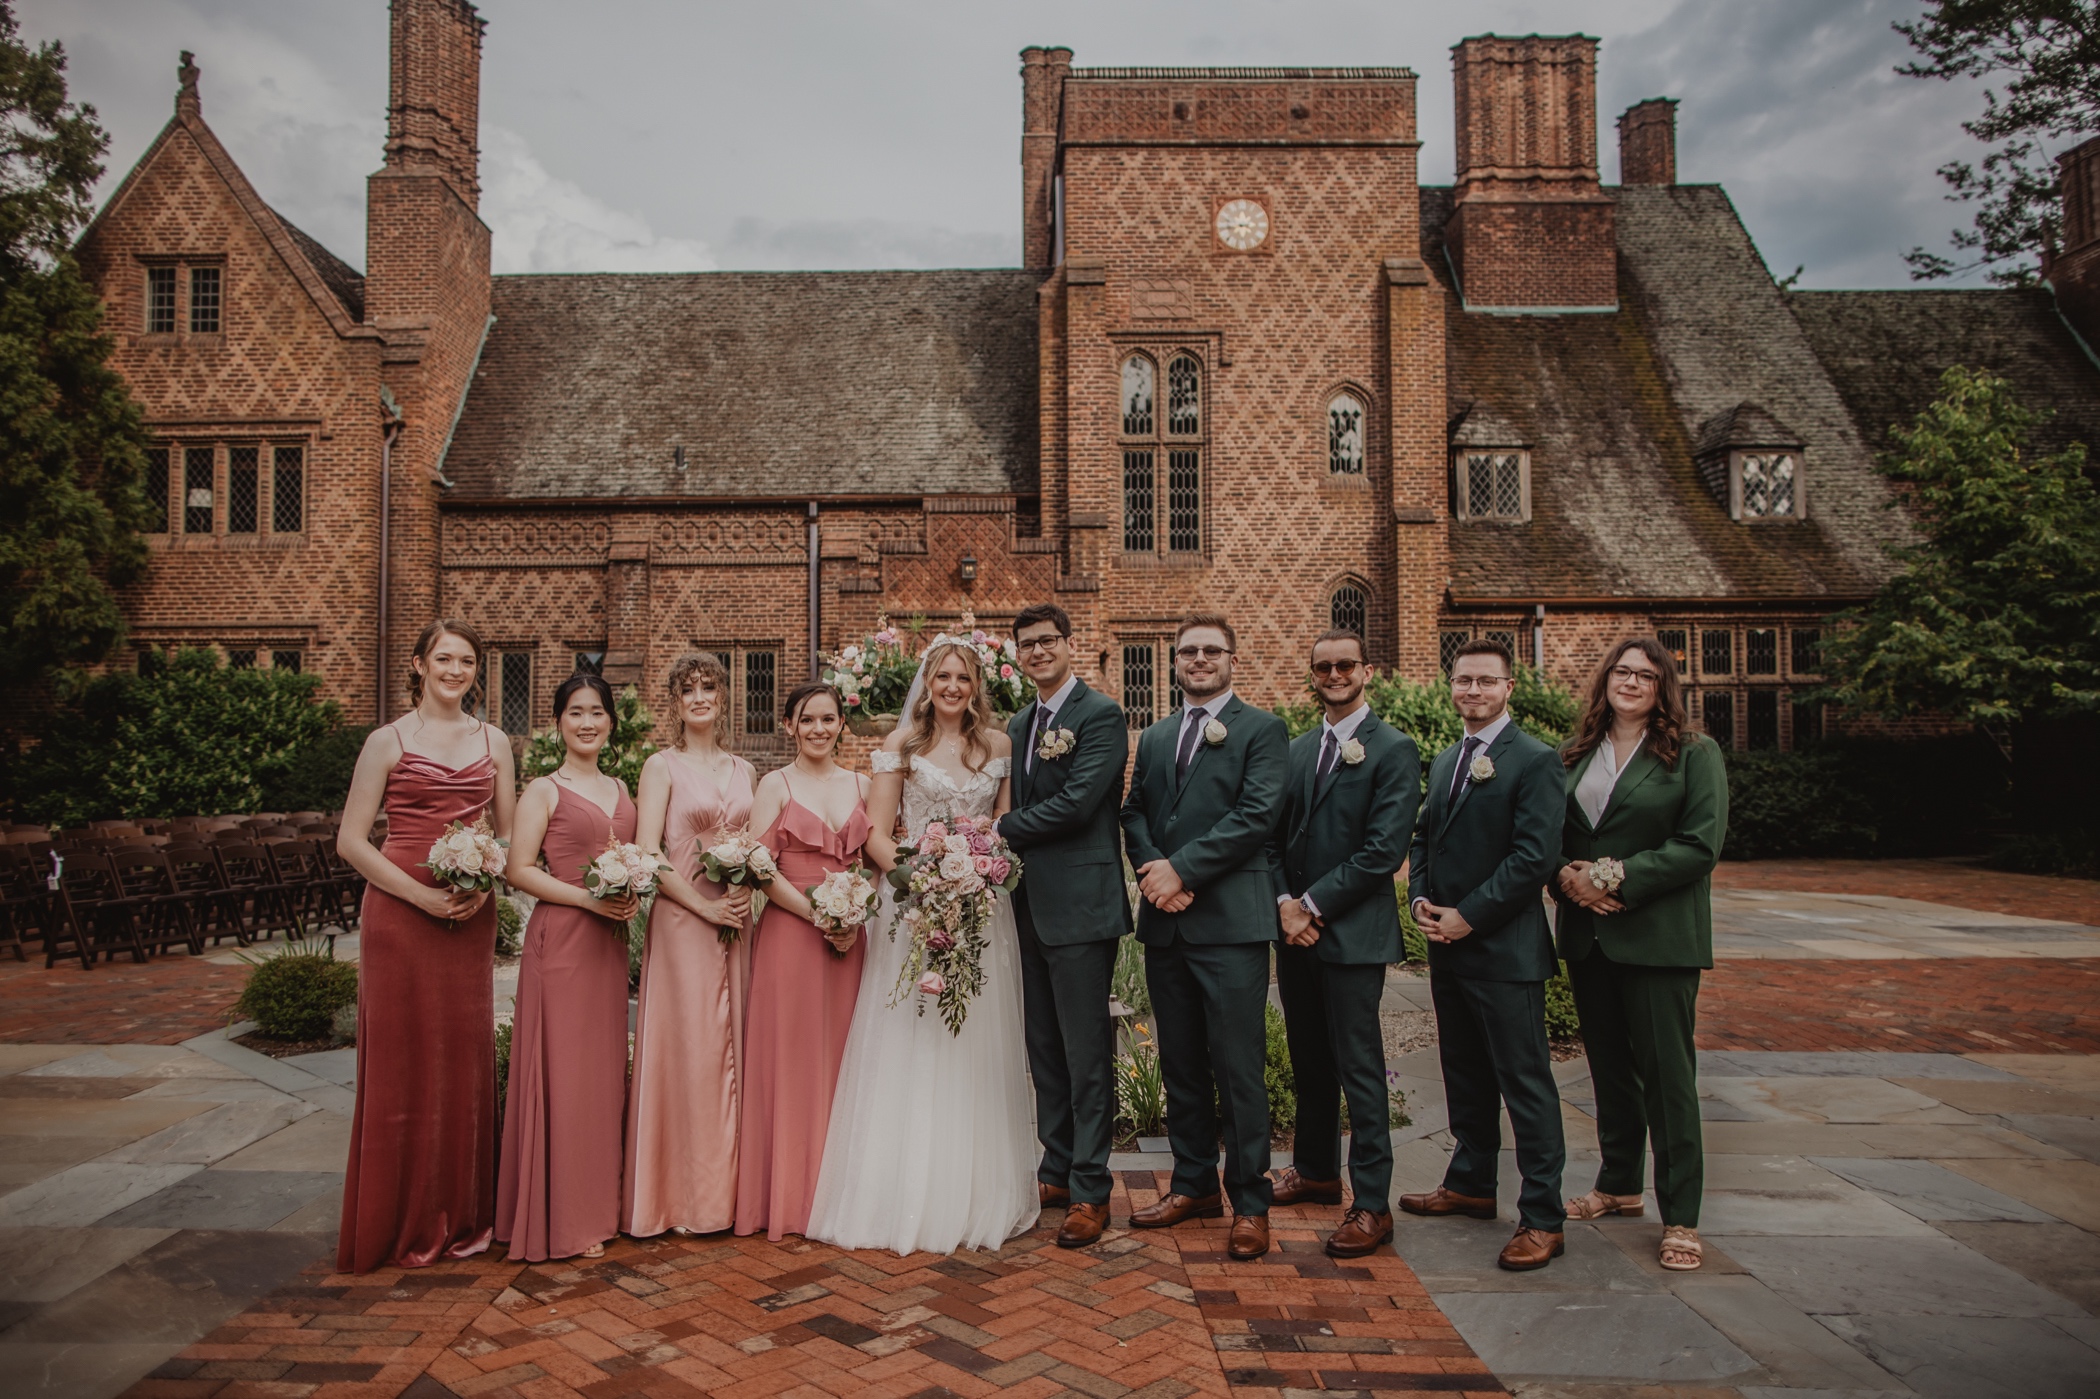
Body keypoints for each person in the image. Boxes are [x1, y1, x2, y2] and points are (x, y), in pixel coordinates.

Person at [809, 638, 1039, 1255]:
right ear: (927, 683)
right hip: (913, 907)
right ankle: (901, 1192)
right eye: (943, 676)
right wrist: (925, 879)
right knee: (912, 1036)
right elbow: (878, 838)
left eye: (963, 677)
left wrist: (980, 868)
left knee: (973, 1041)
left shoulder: (998, 747)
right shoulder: (899, 750)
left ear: (976, 685)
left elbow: (1003, 824)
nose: (953, 687)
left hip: (982, 911)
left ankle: (974, 1187)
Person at [336, 619, 516, 1272]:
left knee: (462, 1058)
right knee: (401, 1059)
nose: (455, 669)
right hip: (400, 911)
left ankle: (461, 1216)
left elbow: (511, 834)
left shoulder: (495, 741)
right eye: (444, 657)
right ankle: (396, 1221)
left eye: (467, 660)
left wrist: (484, 873)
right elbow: (352, 841)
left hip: (469, 913)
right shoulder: (386, 741)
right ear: (418, 664)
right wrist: (422, 897)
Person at [1552, 637, 1726, 1273]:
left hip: (1657, 938)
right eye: (1621, 671)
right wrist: (1568, 878)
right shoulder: (1575, 754)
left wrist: (1612, 877)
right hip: (1590, 938)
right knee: (1609, 1071)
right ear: (1605, 680)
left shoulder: (1693, 755)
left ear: (1663, 686)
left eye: (1644, 675)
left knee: (1668, 1080)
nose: (1630, 682)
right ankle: (1620, 1184)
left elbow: (1699, 844)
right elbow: (1550, 834)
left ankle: (1681, 1214)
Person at [1120, 612, 1289, 1262]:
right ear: (1175, 660)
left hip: (1230, 925)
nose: (1198, 659)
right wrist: (1153, 868)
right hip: (1167, 923)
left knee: (1237, 1066)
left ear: (1231, 660)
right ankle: (1193, 1184)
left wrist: (1182, 869)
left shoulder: (1262, 730)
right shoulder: (1158, 735)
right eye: (1188, 650)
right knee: (1182, 1062)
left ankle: (1250, 1201)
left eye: (1210, 650)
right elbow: (1133, 809)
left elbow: (1257, 814)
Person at [1403, 637, 1567, 1272]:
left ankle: (1543, 1216)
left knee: (1524, 1084)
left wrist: (1469, 916)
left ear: (1508, 689)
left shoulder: (1534, 761)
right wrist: (1420, 899)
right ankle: (1470, 1183)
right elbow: (1423, 838)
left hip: (1505, 951)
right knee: (1464, 1073)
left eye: (1486, 682)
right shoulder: (1448, 759)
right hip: (1449, 946)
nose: (1473, 691)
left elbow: (1533, 859)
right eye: (1464, 680)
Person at [1269, 627, 1422, 1258]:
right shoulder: (1299, 748)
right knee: (1309, 1059)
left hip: (1351, 934)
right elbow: (1273, 838)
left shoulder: (1394, 749)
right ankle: (1316, 1171)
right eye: (1323, 667)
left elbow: (1384, 850)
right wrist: (1282, 902)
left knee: (1360, 1068)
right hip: (1295, 933)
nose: (1334, 674)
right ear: (1312, 675)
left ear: (1367, 672)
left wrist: (1310, 905)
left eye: (1345, 665)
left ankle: (1373, 1204)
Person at [996, 603, 1131, 1249]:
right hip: (1025, 904)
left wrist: (996, 830)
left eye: (1048, 640)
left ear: (1071, 644)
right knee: (1043, 1047)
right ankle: (1055, 1166)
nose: (1039, 651)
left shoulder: (1100, 715)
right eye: (1027, 644)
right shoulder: (1020, 723)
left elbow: (1078, 803)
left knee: (1085, 1053)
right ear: (1018, 654)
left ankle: (1090, 1187)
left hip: (1080, 904)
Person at [495, 673, 639, 1262]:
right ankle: (561, 1217)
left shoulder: (621, 786)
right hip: (563, 940)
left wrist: (633, 892)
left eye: (597, 712)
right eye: (576, 712)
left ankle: (598, 1208)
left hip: (609, 945)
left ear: (610, 721)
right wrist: (585, 899)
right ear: (558, 722)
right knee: (563, 1073)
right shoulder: (543, 791)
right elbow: (517, 868)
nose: (587, 722)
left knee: (601, 1074)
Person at [624, 654, 756, 1239]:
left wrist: (741, 893)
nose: (699, 697)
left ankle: (731, 1196)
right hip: (684, 920)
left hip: (736, 918)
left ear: (723, 697)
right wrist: (702, 907)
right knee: (694, 1051)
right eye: (688, 690)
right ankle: (684, 1200)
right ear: (675, 704)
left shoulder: (745, 769)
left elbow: (754, 845)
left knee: (736, 1044)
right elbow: (649, 852)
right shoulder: (661, 766)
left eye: (709, 687)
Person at [734, 682, 870, 1242]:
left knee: (849, 1061)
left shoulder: (864, 783)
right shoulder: (775, 784)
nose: (818, 729)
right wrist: (819, 914)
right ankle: (792, 1198)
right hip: (792, 933)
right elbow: (759, 866)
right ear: (789, 725)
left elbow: (880, 860)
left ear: (842, 724)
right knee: (791, 1064)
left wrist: (854, 917)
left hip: (852, 937)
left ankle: (845, 1194)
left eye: (828, 719)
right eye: (807, 719)